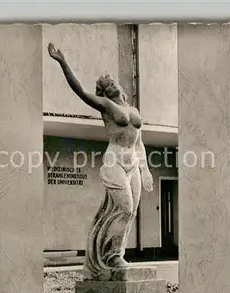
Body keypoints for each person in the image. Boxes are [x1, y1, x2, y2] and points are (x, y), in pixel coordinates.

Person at [48, 42, 154, 280]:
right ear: (105, 93)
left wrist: (145, 170)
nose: (113, 84)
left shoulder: (133, 109)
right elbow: (80, 92)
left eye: (113, 82)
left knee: (131, 212)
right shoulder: (106, 106)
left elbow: (139, 143)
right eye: (108, 85)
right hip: (114, 161)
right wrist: (62, 62)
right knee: (124, 208)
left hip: (133, 165)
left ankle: (116, 255)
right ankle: (111, 255)